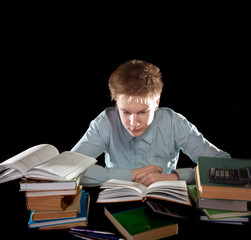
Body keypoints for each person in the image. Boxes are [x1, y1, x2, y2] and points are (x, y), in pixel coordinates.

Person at [71, 59, 231, 187]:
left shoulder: (175, 124)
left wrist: (175, 177)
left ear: (156, 103)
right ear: (116, 104)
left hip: (165, 200)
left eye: (142, 112)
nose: (134, 123)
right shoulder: (104, 123)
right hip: (115, 201)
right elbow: (68, 169)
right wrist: (132, 175)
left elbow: (225, 164)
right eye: (125, 112)